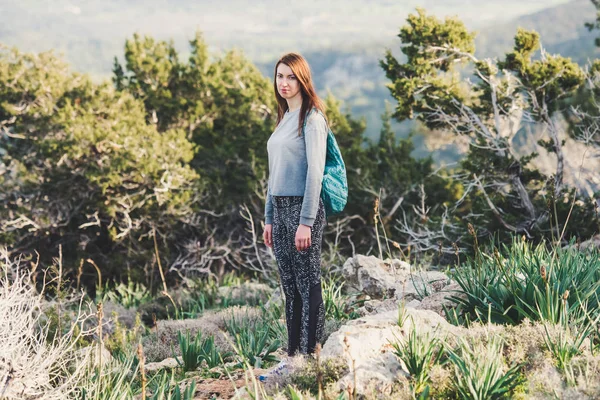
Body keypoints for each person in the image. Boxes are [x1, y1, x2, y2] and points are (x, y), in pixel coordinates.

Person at [260, 52, 329, 379]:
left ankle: (311, 358)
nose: (284, 83)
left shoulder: (312, 119)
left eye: (290, 77)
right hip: (281, 211)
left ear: (302, 80)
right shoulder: (285, 117)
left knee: (308, 283)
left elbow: (314, 174)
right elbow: (274, 175)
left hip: (304, 211)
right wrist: (269, 218)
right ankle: (291, 359)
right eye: (279, 77)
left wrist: (305, 222)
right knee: (290, 286)